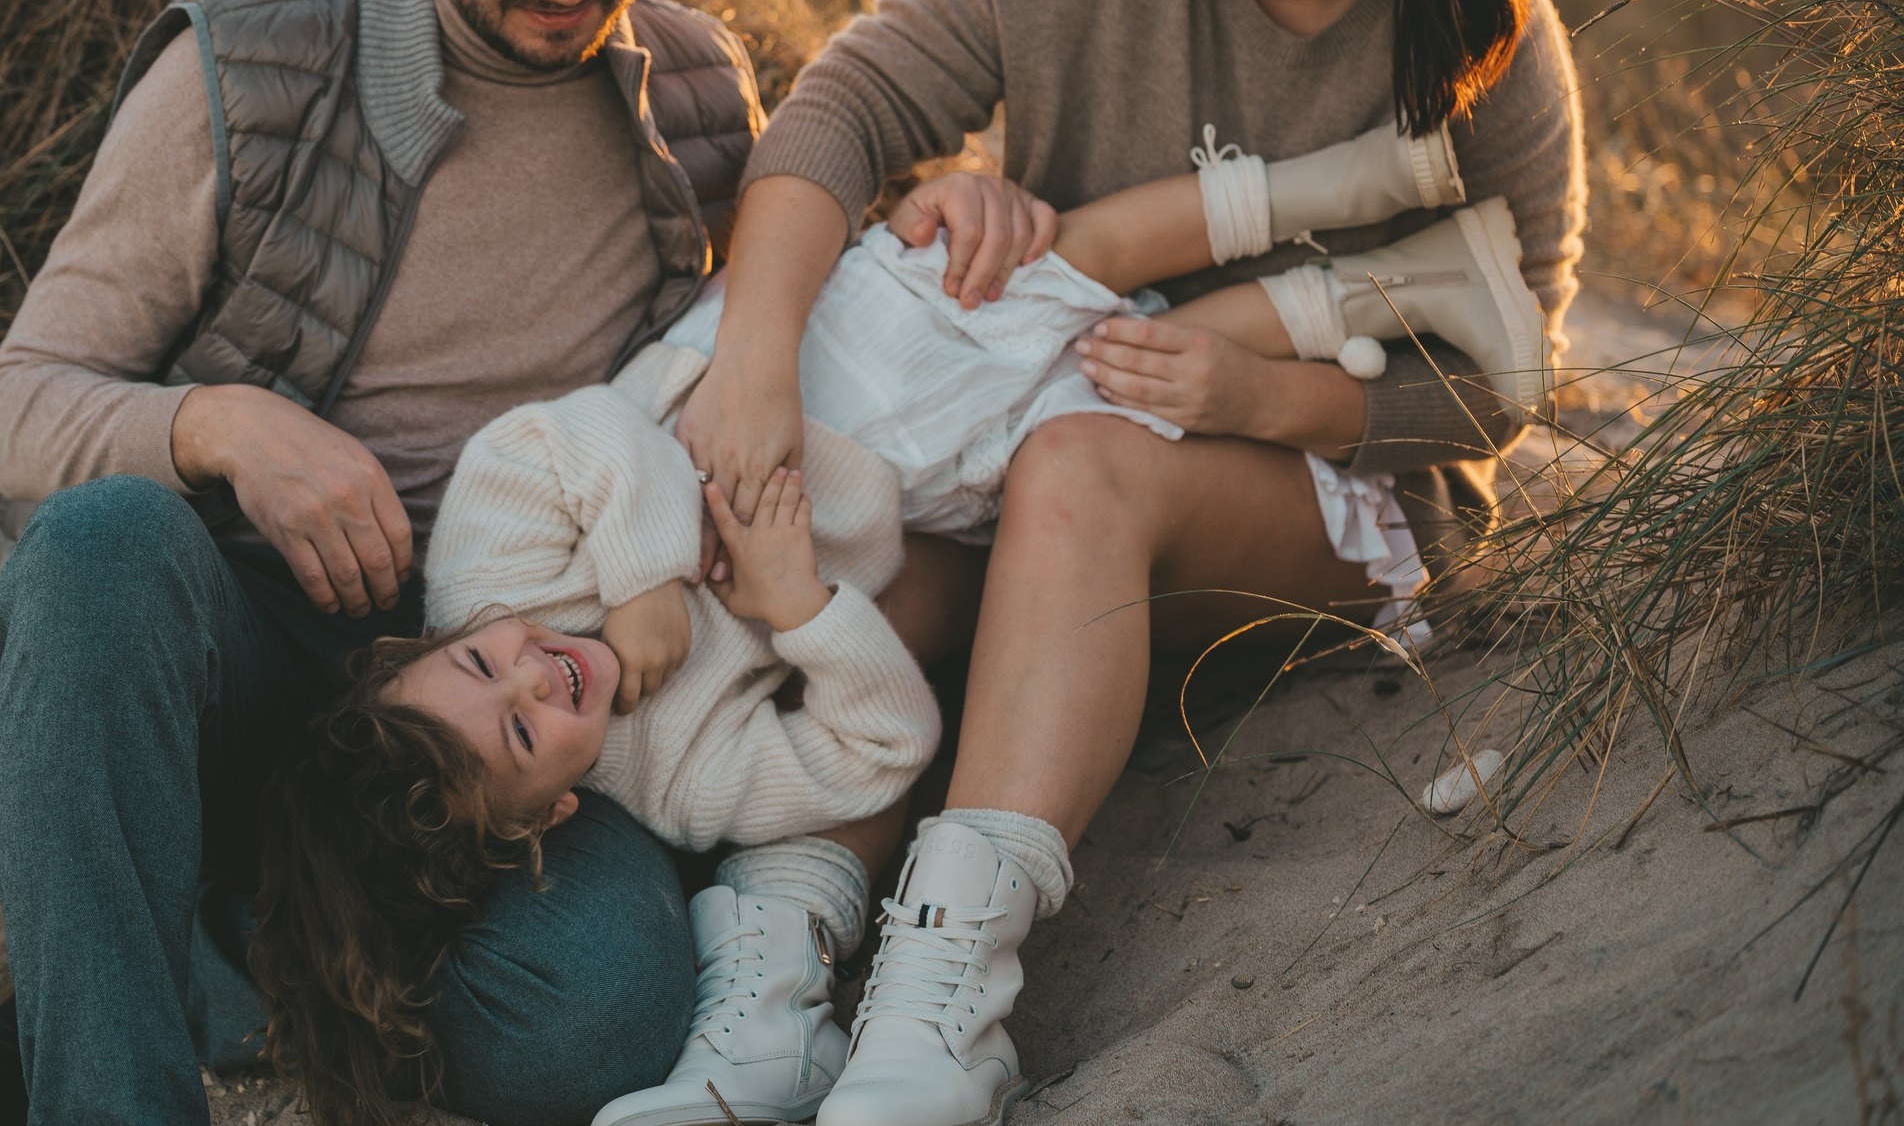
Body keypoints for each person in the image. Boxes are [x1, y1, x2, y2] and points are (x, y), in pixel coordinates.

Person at [675, 0, 1586, 1126]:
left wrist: (1264, 400)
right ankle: (774, 996)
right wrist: (754, 358)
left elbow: (1512, 373)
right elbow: (845, 106)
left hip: (1315, 496)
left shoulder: (1486, 36)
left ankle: (943, 1010)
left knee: (1078, 468)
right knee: (865, 565)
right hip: (1039, 430)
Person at [242, 108, 1545, 1126]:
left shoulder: (487, 569)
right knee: (1116, 375)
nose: (536, 672)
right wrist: (801, 610)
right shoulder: (676, 784)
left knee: (1054, 267)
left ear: (442, 636)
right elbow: (876, 747)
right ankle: (1416, 278)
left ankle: (1360, 179)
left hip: (826, 371)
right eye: (524, 734)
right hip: (923, 489)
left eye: (483, 663)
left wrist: (644, 583)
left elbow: (574, 440)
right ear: (549, 820)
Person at [0, 0, 766, 1126]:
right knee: (94, 551)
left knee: (598, 1008)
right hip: (242, 654)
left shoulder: (696, 89)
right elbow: (19, 404)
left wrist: (955, 208)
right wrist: (225, 428)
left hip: (507, 717)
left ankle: (201, 968)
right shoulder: (247, 68)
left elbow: (797, 288)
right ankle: (121, 1076)